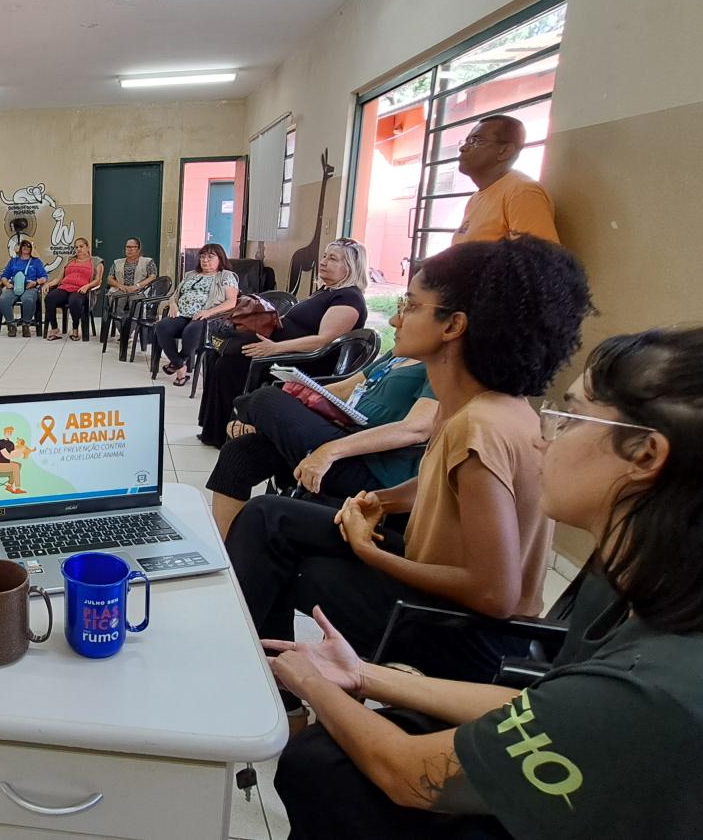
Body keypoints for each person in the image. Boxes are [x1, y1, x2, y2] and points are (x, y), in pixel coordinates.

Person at [269, 324, 703, 840]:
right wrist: (363, 676)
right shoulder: (646, 579)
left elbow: (408, 776)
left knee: (328, 768)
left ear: (645, 454)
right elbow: (550, 707)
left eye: (570, 417)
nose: (543, 442)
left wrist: (312, 682)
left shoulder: (678, 681)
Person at [225, 237, 592, 721]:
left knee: (298, 565)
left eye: (411, 306)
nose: (397, 318)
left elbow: (495, 594)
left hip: (467, 634)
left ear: (453, 326)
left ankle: (261, 691)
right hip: (451, 604)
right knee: (269, 516)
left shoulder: (480, 428)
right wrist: (382, 500)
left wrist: (369, 551)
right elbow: (439, 486)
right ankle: (276, 694)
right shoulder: (482, 408)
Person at [206, 353, 438, 538]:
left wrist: (330, 450)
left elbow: (417, 429)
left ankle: (251, 419)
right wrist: (301, 401)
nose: (395, 318)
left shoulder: (442, 366)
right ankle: (228, 556)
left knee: (265, 399)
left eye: (411, 307)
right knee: (240, 453)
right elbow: (344, 389)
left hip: (370, 465)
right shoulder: (397, 355)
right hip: (340, 434)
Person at [197, 239, 369, 446]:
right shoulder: (326, 292)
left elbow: (323, 341)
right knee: (215, 355)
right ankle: (212, 429)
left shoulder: (348, 298)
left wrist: (274, 348)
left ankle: (222, 434)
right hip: (279, 349)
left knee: (228, 364)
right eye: (324, 256)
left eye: (332, 258)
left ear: (351, 267)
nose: (323, 262)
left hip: (299, 360)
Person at [449, 114, 558, 244]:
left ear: (505, 151)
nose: (463, 148)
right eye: (466, 141)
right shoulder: (475, 198)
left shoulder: (522, 192)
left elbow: (540, 259)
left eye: (476, 141)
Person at [153, 242, 239, 387]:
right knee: (162, 326)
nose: (205, 260)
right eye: (202, 257)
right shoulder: (190, 274)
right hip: (182, 315)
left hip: (207, 317)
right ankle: (180, 364)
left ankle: (178, 364)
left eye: (210, 257)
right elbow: (174, 295)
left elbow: (231, 302)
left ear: (220, 259)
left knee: (190, 331)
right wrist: (173, 304)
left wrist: (208, 312)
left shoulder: (226, 276)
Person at [44, 237, 103, 341]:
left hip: (81, 290)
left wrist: (87, 286)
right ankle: (54, 328)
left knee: (74, 301)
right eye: (76, 247)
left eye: (81, 246)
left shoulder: (96, 261)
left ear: (88, 247)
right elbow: (59, 278)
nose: (78, 249)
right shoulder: (71, 260)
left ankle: (75, 328)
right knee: (50, 298)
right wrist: (48, 284)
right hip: (65, 287)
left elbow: (98, 280)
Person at [0, 239, 48, 336]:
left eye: (28, 246)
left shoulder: (36, 262)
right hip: (14, 285)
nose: (25, 247)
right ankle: (11, 324)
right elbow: (4, 276)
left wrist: (36, 282)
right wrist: (7, 284)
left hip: (30, 286)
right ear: (20, 247)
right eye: (23, 245)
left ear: (31, 249)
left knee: (28, 299)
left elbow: (44, 277)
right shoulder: (13, 261)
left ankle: (26, 324)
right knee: (3, 300)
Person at [106, 237, 158, 322]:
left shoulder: (147, 261)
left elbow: (153, 276)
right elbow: (109, 279)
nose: (129, 249)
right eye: (127, 247)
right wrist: (120, 286)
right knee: (117, 300)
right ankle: (122, 330)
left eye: (132, 247)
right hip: (121, 290)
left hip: (139, 290)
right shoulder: (117, 262)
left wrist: (137, 286)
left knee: (135, 302)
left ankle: (129, 331)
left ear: (138, 249)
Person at [0, 425, 30, 494]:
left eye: (11, 432)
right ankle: (18, 488)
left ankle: (9, 485)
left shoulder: (11, 443)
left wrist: (23, 451)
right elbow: (8, 456)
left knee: (18, 465)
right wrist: (20, 453)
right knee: (15, 466)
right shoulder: (0, 442)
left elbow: (14, 452)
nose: (10, 433)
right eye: (8, 432)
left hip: (6, 464)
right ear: (4, 432)